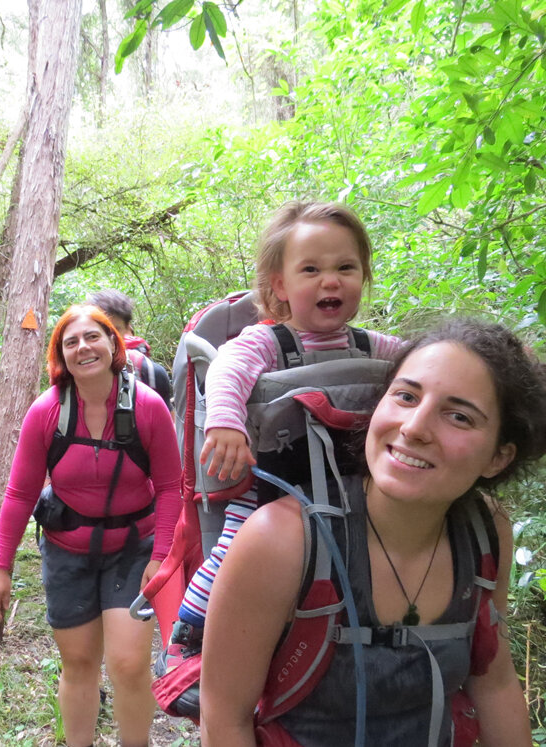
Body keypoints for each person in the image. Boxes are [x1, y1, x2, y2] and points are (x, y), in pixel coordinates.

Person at [199, 319, 546, 746]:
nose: (414, 427)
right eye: (406, 396)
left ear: (498, 457)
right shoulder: (282, 541)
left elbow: (493, 681)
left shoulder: (486, 531)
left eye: (458, 416)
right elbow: (224, 720)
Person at [166, 201, 402, 662]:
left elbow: (425, 364)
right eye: (311, 269)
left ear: (364, 276)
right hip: (269, 487)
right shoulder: (267, 342)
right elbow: (227, 371)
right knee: (235, 552)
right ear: (281, 285)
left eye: (346, 267)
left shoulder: (375, 345)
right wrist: (227, 422)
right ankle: (192, 633)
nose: (330, 280)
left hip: (350, 489)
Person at [0, 304, 182, 747]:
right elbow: (20, 493)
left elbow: (171, 487)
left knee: (130, 663)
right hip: (67, 551)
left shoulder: (147, 407)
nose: (83, 347)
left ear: (114, 343)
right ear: (61, 355)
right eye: (70, 342)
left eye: (93, 336)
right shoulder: (47, 411)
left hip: (134, 549)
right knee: (78, 663)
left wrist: (161, 557)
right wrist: (0, 568)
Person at [88, 289, 173, 410]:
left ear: (128, 330)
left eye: (115, 331)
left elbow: (169, 425)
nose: (109, 340)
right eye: (99, 332)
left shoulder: (151, 373)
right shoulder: (76, 375)